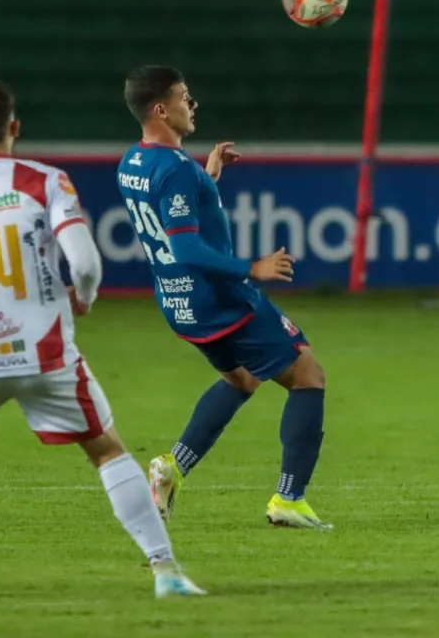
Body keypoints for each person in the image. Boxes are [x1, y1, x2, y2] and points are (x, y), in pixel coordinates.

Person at [0, 78, 204, 596]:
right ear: (14, 128)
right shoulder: (46, 181)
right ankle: (166, 571)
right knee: (106, 449)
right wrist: (82, 296)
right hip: (46, 352)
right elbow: (84, 261)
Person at [116, 65, 331, 530]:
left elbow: (173, 215)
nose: (191, 105)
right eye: (184, 97)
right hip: (222, 301)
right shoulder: (176, 171)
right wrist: (252, 268)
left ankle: (172, 467)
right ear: (160, 109)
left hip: (179, 304)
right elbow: (186, 246)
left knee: (242, 381)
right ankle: (289, 500)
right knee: (308, 374)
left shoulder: (132, 162)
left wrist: (207, 178)